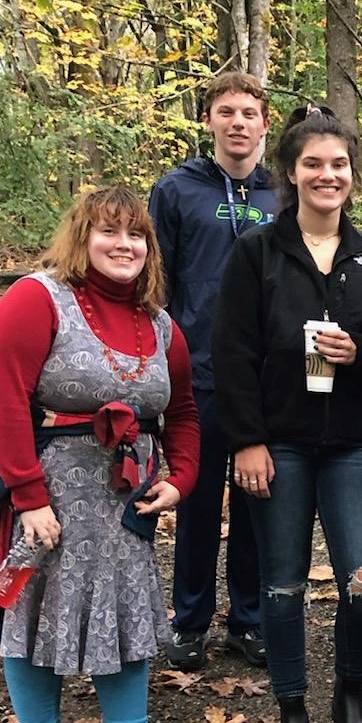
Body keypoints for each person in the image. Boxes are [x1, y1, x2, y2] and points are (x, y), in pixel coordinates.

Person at [0, 186, 200, 723]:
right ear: (82, 236)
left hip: (125, 501)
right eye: (109, 232)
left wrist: (182, 478)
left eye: (136, 236)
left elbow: (182, 410)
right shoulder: (36, 299)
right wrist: (27, 496)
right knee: (33, 618)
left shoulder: (159, 323)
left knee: (127, 617)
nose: (124, 245)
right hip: (46, 496)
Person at [213, 106, 362, 723]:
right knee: (284, 585)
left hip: (351, 441)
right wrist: (248, 442)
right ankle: (293, 713)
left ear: (353, 174)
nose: (328, 175)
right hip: (279, 444)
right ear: (291, 173)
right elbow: (231, 355)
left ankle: (350, 695)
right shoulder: (256, 253)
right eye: (314, 164)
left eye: (340, 164)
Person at [150, 70, 275, 670]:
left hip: (264, 377)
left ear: (265, 123)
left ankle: (248, 622)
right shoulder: (177, 190)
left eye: (249, 113)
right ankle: (190, 621)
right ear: (209, 121)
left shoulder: (283, 194)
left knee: (256, 501)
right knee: (196, 503)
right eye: (226, 112)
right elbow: (156, 280)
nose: (237, 123)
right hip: (194, 373)